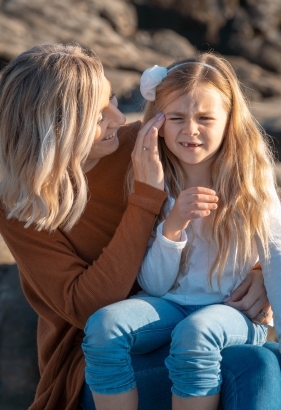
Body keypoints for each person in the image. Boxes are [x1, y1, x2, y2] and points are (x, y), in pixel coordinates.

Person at [0, 44, 279, 410]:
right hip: (108, 350)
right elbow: (89, 309)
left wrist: (257, 270)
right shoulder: (21, 206)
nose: (119, 117)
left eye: (113, 99)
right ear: (57, 127)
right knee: (253, 365)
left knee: (254, 362)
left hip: (205, 318)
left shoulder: (149, 141)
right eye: (99, 114)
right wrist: (146, 198)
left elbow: (254, 215)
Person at [82, 54, 281, 410]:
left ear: (229, 121)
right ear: (158, 122)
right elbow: (155, 286)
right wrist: (173, 227)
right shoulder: (152, 177)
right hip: (167, 305)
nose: (190, 130)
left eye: (205, 118)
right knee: (103, 329)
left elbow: (276, 257)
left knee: (196, 334)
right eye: (177, 118)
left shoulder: (250, 181)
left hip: (231, 312)